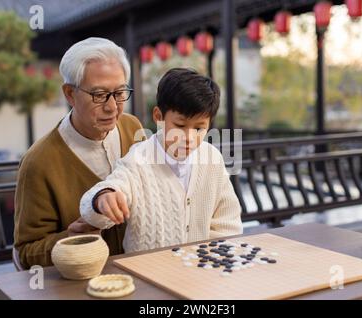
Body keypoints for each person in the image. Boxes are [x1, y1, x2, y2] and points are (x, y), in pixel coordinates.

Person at [14, 37, 145, 269]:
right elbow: (26, 253)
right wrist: (69, 239)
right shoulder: (39, 162)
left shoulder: (132, 127)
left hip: (142, 270)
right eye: (99, 94)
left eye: (119, 92)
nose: (112, 107)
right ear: (69, 94)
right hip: (81, 283)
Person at [80, 68, 243, 253]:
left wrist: (209, 261)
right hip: (145, 272)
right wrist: (103, 197)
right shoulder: (138, 160)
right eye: (180, 126)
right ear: (158, 117)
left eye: (199, 128)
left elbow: (227, 222)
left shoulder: (212, 159)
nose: (189, 137)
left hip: (201, 271)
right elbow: (106, 199)